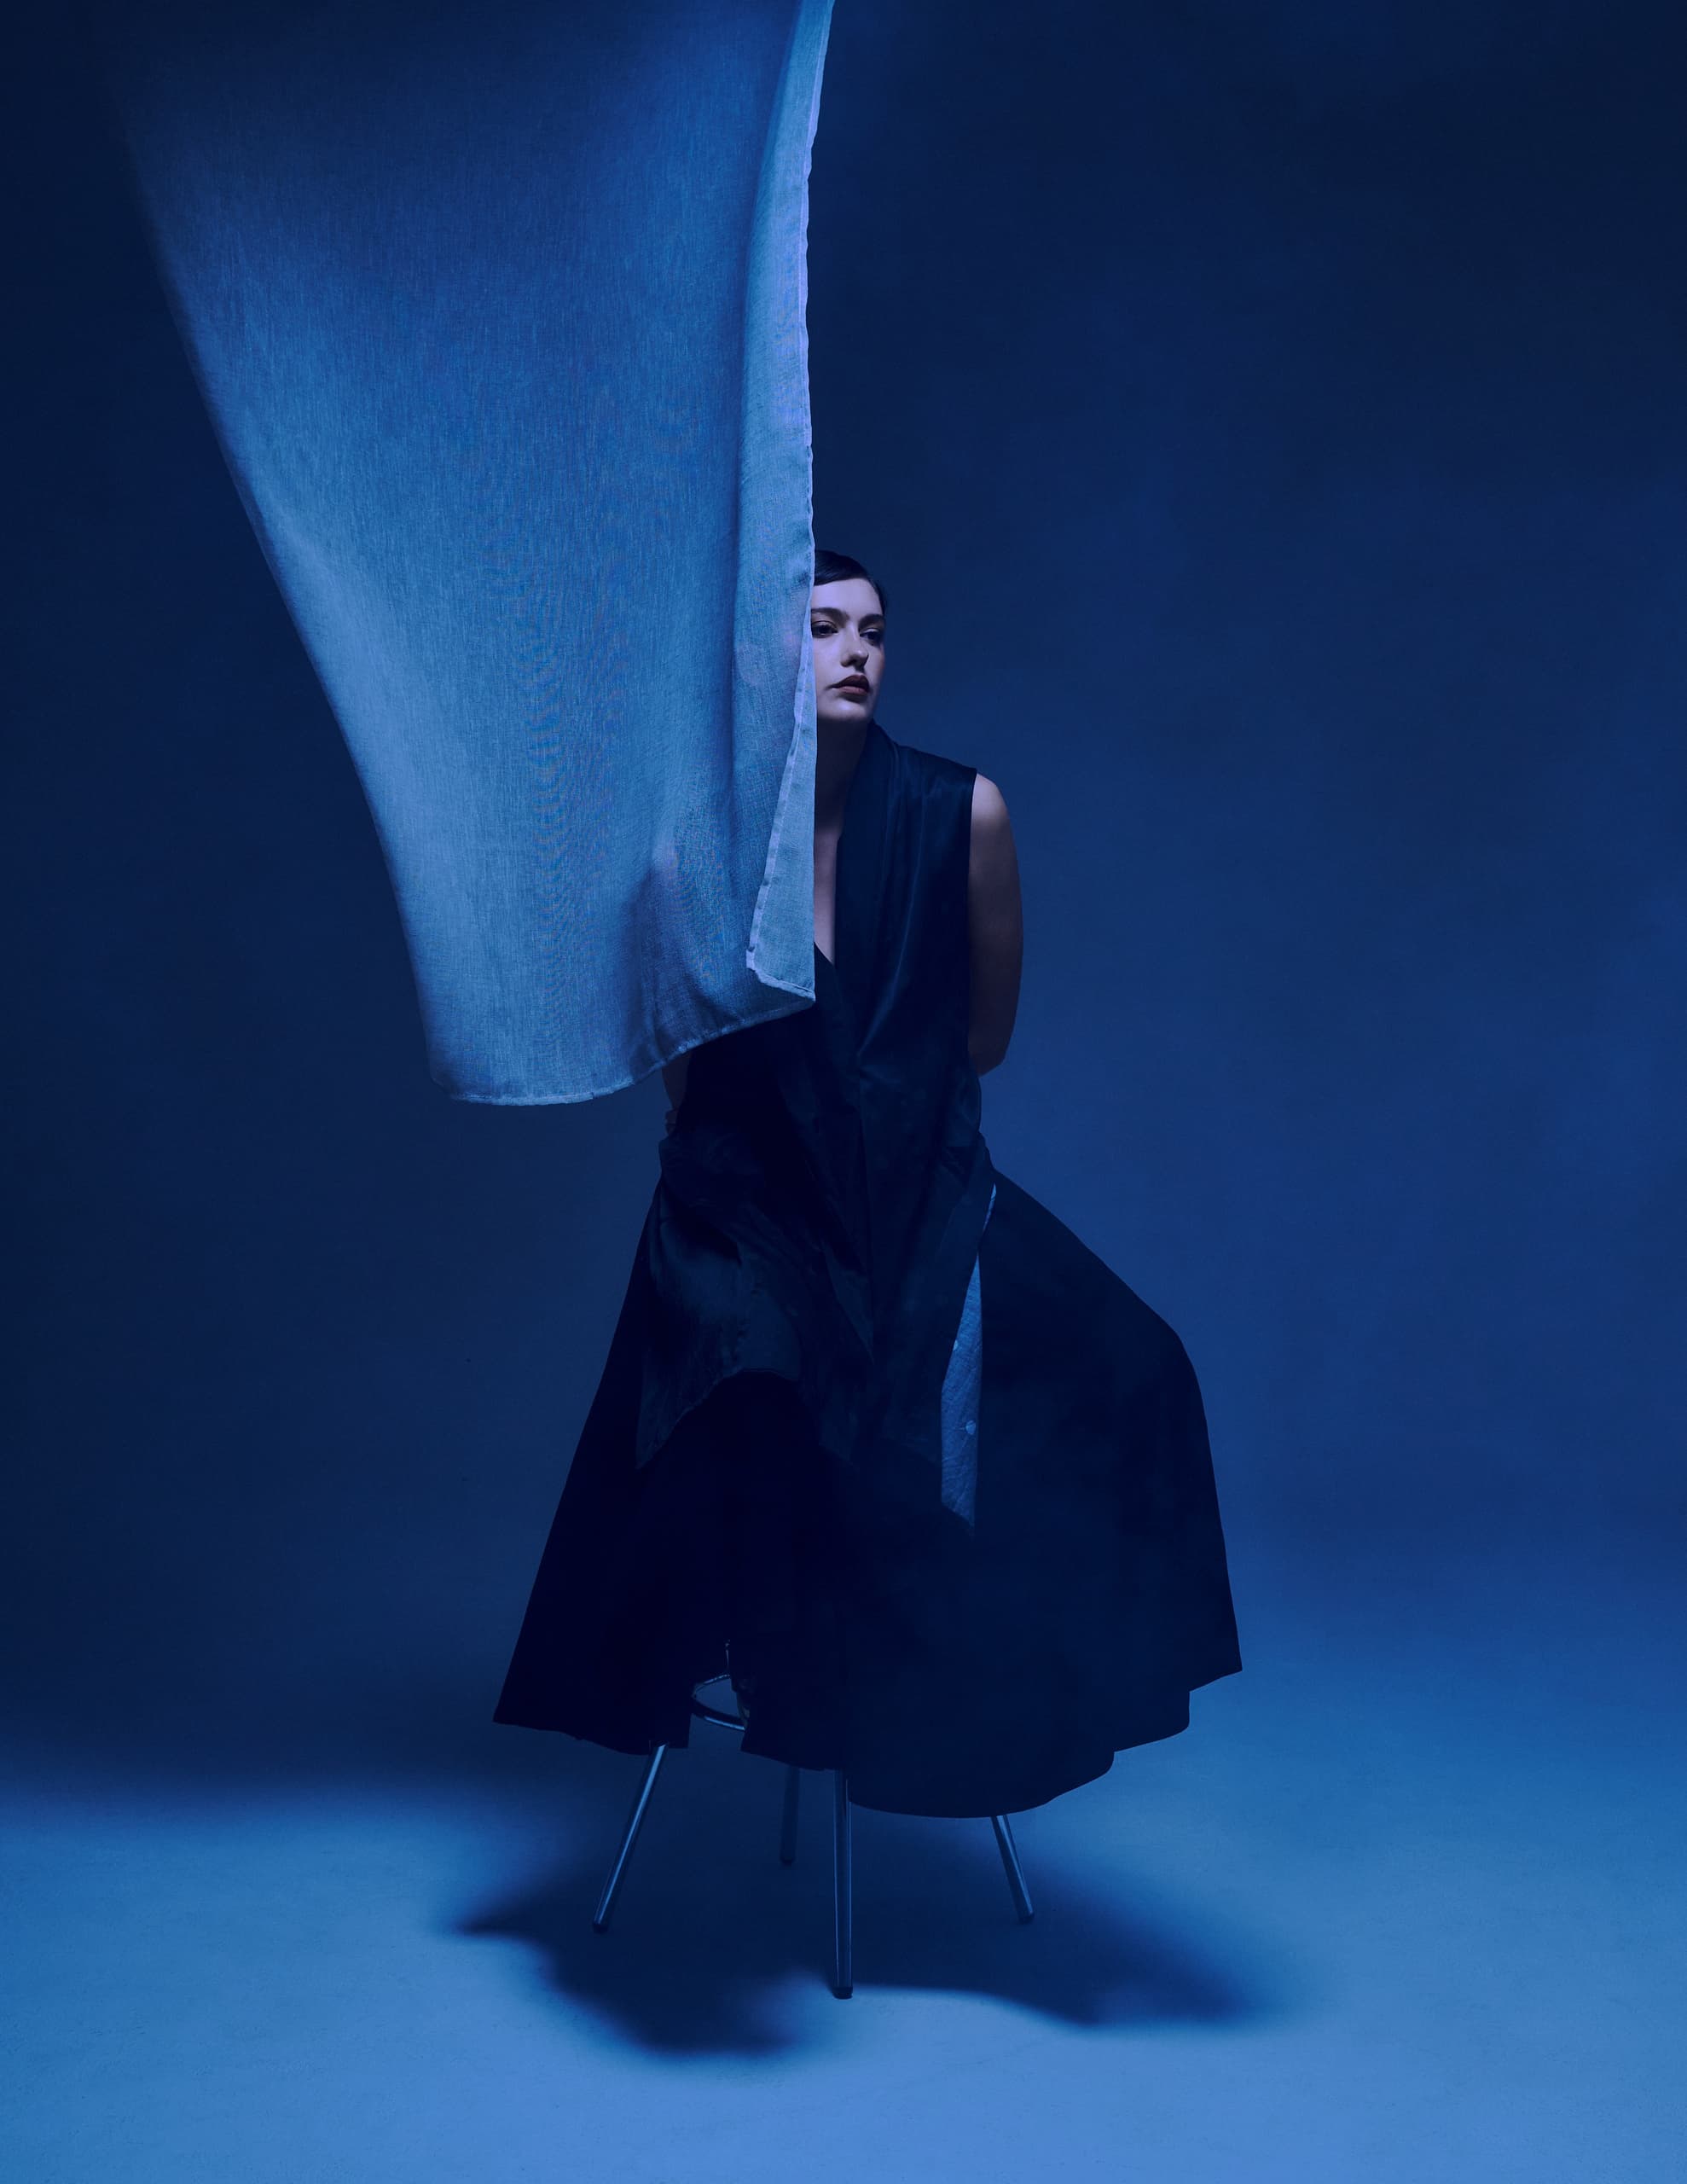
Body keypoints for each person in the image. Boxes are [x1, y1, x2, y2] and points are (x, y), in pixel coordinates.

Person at [494, 549, 1241, 1819]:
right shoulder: (689, 854)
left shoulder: (965, 812)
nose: (857, 653)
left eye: (874, 631)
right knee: (759, 1395)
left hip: (920, 1188)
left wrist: (885, 1122)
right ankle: (794, 1674)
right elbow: (687, 1087)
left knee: (1135, 1364)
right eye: (825, 628)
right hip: (744, 1210)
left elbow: (981, 1038)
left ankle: (1002, 1686)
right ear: (761, 660)